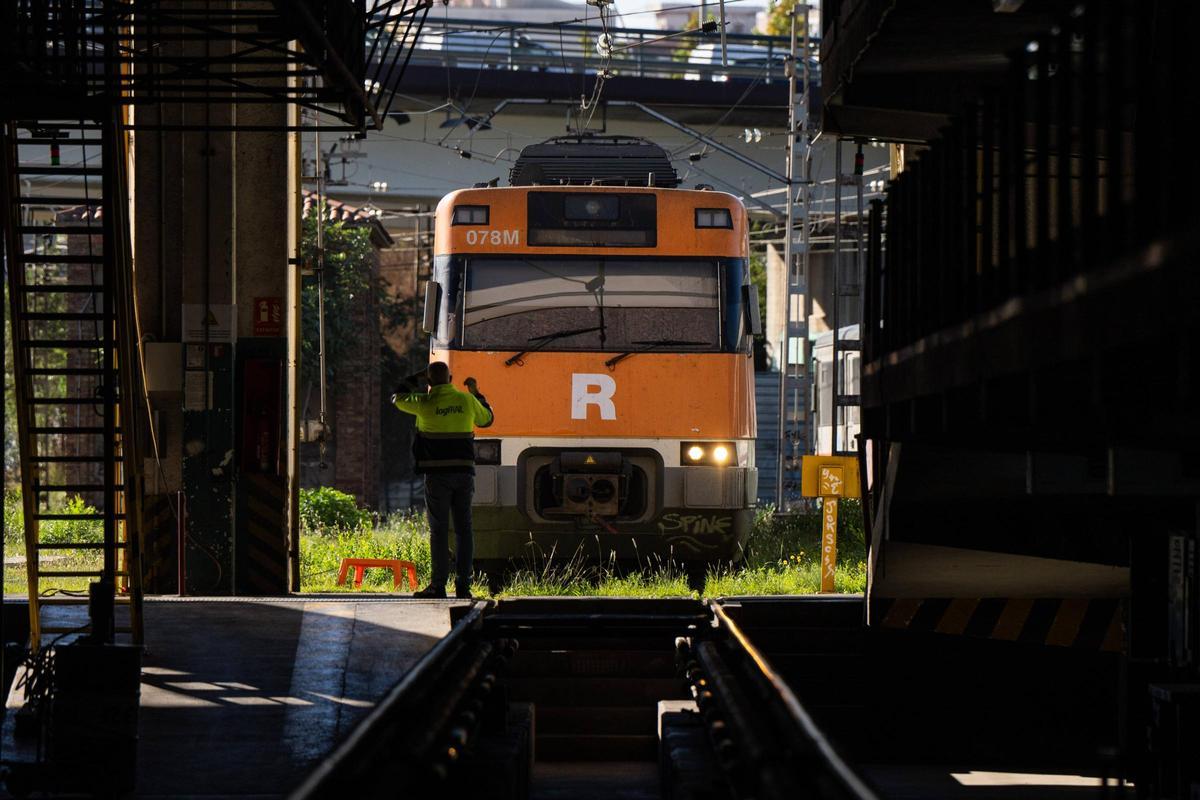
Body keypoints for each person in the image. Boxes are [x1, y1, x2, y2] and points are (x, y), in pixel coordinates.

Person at [392, 361, 494, 598]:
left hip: (437, 477)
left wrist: (415, 377)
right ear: (450, 380)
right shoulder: (467, 401)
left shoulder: (424, 403)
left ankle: (438, 585)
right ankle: (463, 586)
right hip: (464, 475)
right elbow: (487, 419)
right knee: (464, 529)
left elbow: (397, 397)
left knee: (438, 531)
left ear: (428, 382)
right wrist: (476, 393)